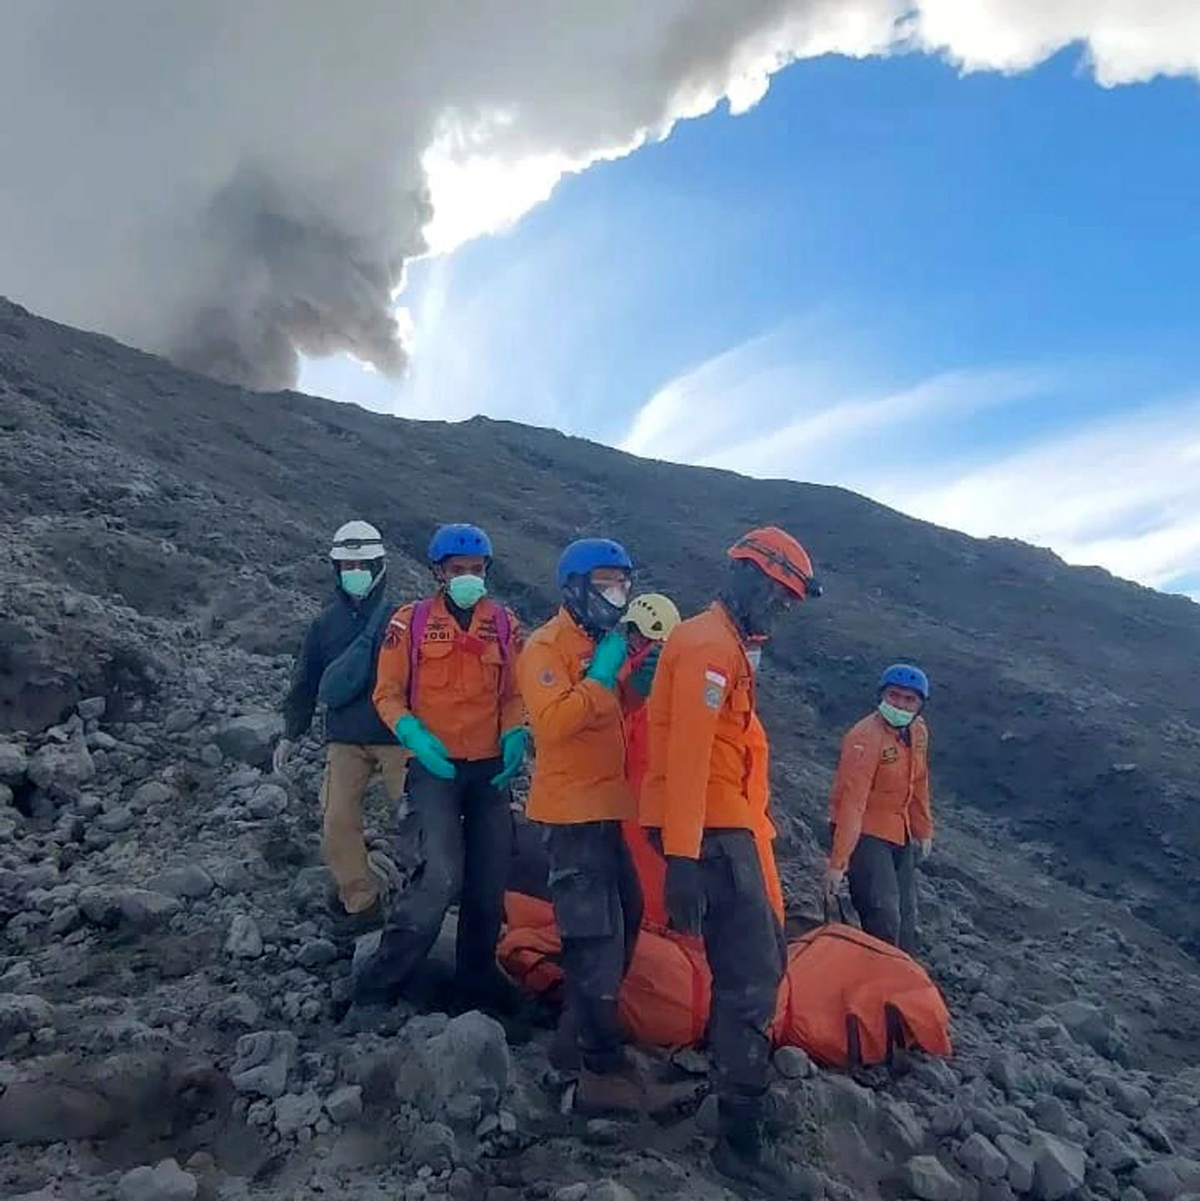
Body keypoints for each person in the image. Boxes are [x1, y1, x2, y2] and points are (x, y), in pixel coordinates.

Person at [640, 526, 821, 1196]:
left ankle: (732, 1095)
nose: (779, 609)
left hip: (723, 826)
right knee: (751, 975)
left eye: (788, 602)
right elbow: (689, 757)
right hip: (713, 831)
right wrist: (683, 857)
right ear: (748, 574)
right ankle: (738, 1145)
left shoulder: (721, 644)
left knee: (756, 963)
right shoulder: (711, 648)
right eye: (777, 595)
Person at [352, 523, 526, 1013]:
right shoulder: (410, 623)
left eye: (477, 569)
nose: (469, 577)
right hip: (435, 770)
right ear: (439, 572)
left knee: (489, 883)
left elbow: (514, 694)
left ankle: (475, 987)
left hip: (489, 771)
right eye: (458, 569)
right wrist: (411, 733)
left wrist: (515, 732)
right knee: (438, 878)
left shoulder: (505, 624)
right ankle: (379, 985)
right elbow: (387, 692)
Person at [517, 538, 654, 1112]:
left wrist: (635, 684)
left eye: (622, 582)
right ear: (575, 588)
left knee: (629, 916)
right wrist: (599, 680)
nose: (617, 593)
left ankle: (573, 1040)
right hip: (571, 815)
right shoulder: (544, 647)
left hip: (605, 810)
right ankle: (599, 1069)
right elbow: (553, 724)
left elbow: (614, 716)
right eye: (605, 582)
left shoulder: (604, 644)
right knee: (594, 939)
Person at [275, 521, 407, 931]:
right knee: (336, 819)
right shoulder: (324, 626)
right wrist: (290, 732)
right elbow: (306, 681)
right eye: (348, 565)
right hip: (345, 739)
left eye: (362, 565)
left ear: (378, 566)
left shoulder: (403, 620)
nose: (356, 572)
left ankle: (430, 892)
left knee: (420, 816)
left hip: (398, 736)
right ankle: (361, 902)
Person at [825, 664, 932, 956]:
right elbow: (852, 802)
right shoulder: (865, 738)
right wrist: (838, 863)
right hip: (863, 833)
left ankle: (903, 974)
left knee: (906, 920)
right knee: (883, 917)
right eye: (894, 695)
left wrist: (923, 829)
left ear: (920, 705)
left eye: (909, 699)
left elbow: (919, 781)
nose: (900, 704)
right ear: (881, 695)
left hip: (898, 831)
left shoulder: (917, 732)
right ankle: (878, 975)